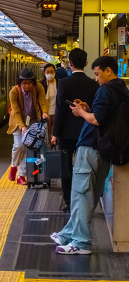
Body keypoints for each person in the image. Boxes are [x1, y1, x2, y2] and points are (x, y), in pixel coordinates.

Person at [51, 56, 129, 254]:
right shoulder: (122, 90)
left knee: (80, 195)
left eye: (97, 74)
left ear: (108, 71)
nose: (96, 79)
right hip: (104, 150)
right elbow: (106, 115)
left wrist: (81, 113)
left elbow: (97, 120)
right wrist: (87, 109)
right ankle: (68, 234)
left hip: (91, 149)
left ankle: (81, 242)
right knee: (88, 195)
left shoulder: (106, 90)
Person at [51, 48, 99, 212]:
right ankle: (84, 201)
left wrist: (55, 133)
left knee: (66, 167)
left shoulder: (64, 83)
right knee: (85, 168)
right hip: (87, 133)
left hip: (66, 134)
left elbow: (60, 110)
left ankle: (69, 201)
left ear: (70, 64)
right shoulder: (93, 84)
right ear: (86, 63)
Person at [7, 68, 50, 185]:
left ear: (33, 82)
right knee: (19, 146)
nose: (27, 85)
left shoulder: (38, 87)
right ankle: (13, 166)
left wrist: (45, 112)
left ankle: (21, 175)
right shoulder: (14, 92)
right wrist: (22, 127)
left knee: (27, 147)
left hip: (33, 121)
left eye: (29, 83)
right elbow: (15, 111)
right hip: (18, 122)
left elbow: (43, 101)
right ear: (20, 82)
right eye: (24, 83)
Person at [40, 63, 58, 144]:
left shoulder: (59, 83)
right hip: (45, 114)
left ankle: (54, 150)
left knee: (55, 134)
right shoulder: (41, 85)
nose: (50, 74)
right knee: (46, 135)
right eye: (47, 72)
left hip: (56, 113)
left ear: (55, 72)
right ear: (44, 73)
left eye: (52, 71)